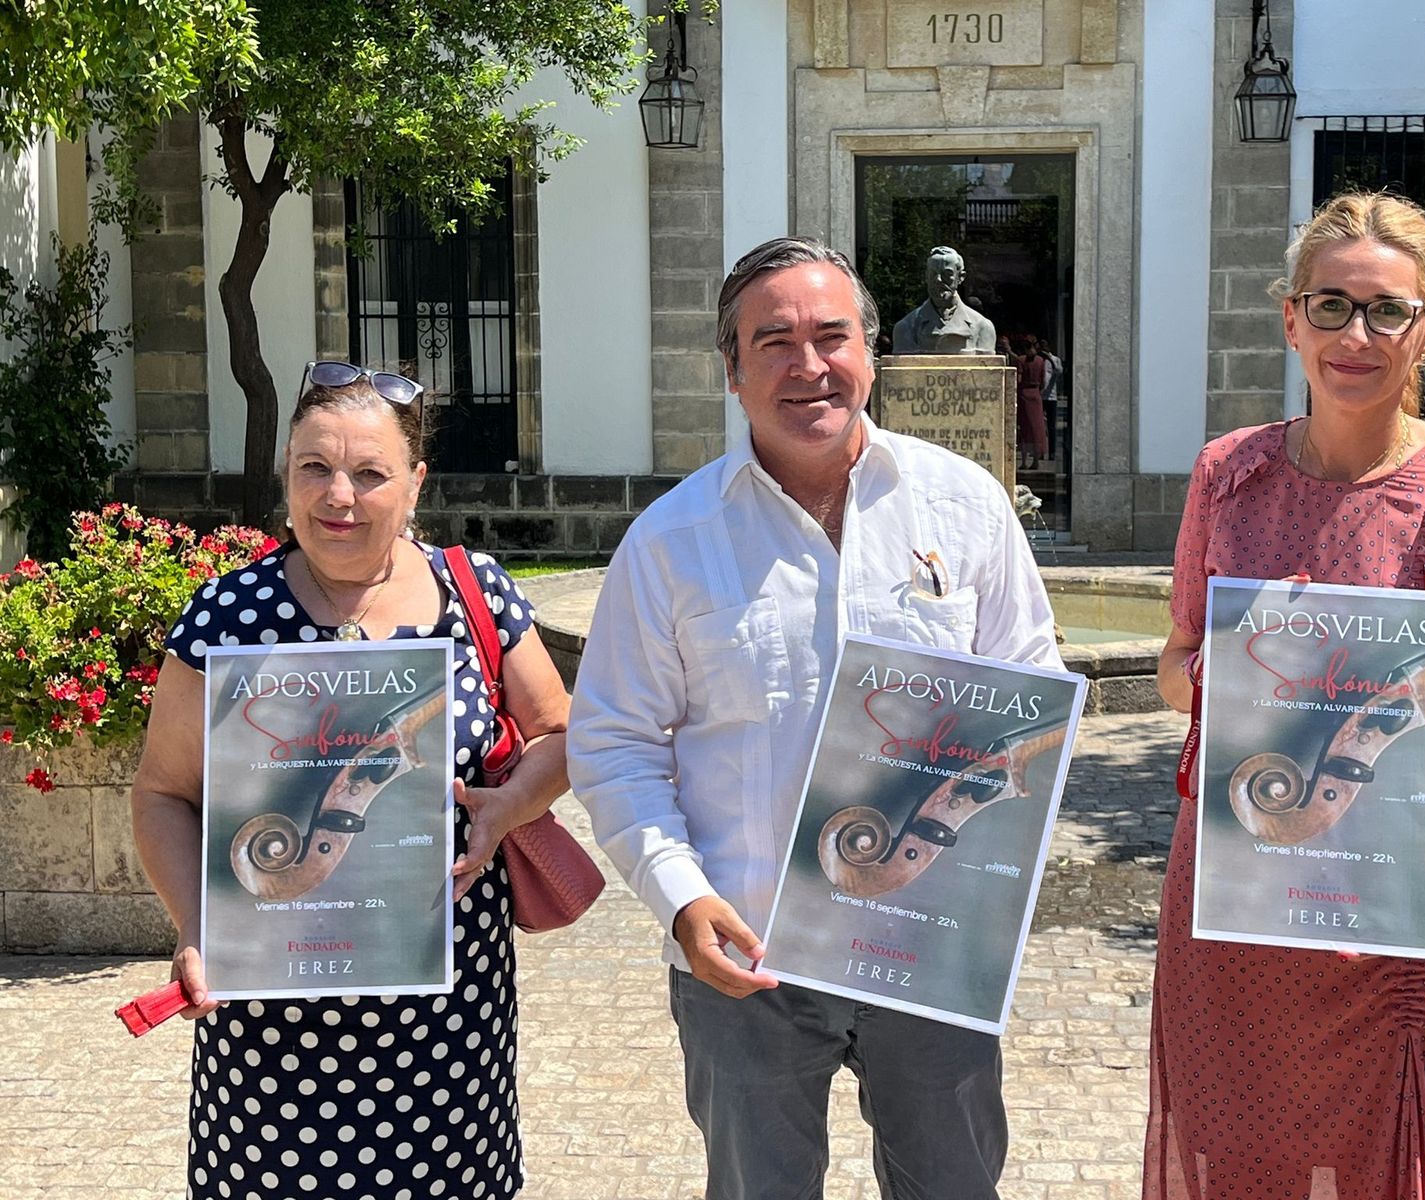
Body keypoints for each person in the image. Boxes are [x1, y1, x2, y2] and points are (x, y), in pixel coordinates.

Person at [567, 237, 1061, 1200]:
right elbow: (615, 743)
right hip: (744, 952)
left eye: (831, 336)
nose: (808, 365)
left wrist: (990, 875)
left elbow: (1030, 698)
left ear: (870, 354)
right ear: (731, 368)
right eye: (774, 341)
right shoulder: (670, 541)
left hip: (930, 942)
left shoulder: (966, 508)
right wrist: (679, 895)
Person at [1144, 192, 1425, 1198]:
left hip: (1399, 911)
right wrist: (1226, 674)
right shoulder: (1225, 476)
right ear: (1290, 320)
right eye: (1329, 307)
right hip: (1237, 912)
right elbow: (1172, 662)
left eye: (1385, 311)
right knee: (1239, 1154)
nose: (1353, 335)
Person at [131, 361, 573, 1200]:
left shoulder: (475, 593)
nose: (339, 495)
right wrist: (196, 925)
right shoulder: (228, 614)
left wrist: (509, 805)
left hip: (447, 1028)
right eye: (314, 468)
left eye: (370, 473)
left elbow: (560, 733)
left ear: (415, 484)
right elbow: (162, 793)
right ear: (286, 473)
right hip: (269, 1028)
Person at [890, 245, 998, 354]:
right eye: (933, 274)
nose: (938, 280)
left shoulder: (982, 327)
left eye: (947, 274)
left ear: (961, 277)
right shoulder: (906, 328)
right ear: (926, 276)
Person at [1015, 336, 1048, 468]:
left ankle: (1023, 461)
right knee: (1037, 429)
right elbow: (1044, 381)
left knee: (1024, 428)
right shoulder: (1041, 361)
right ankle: (1036, 460)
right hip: (1036, 394)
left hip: (1024, 394)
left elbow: (1018, 379)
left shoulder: (1020, 360)